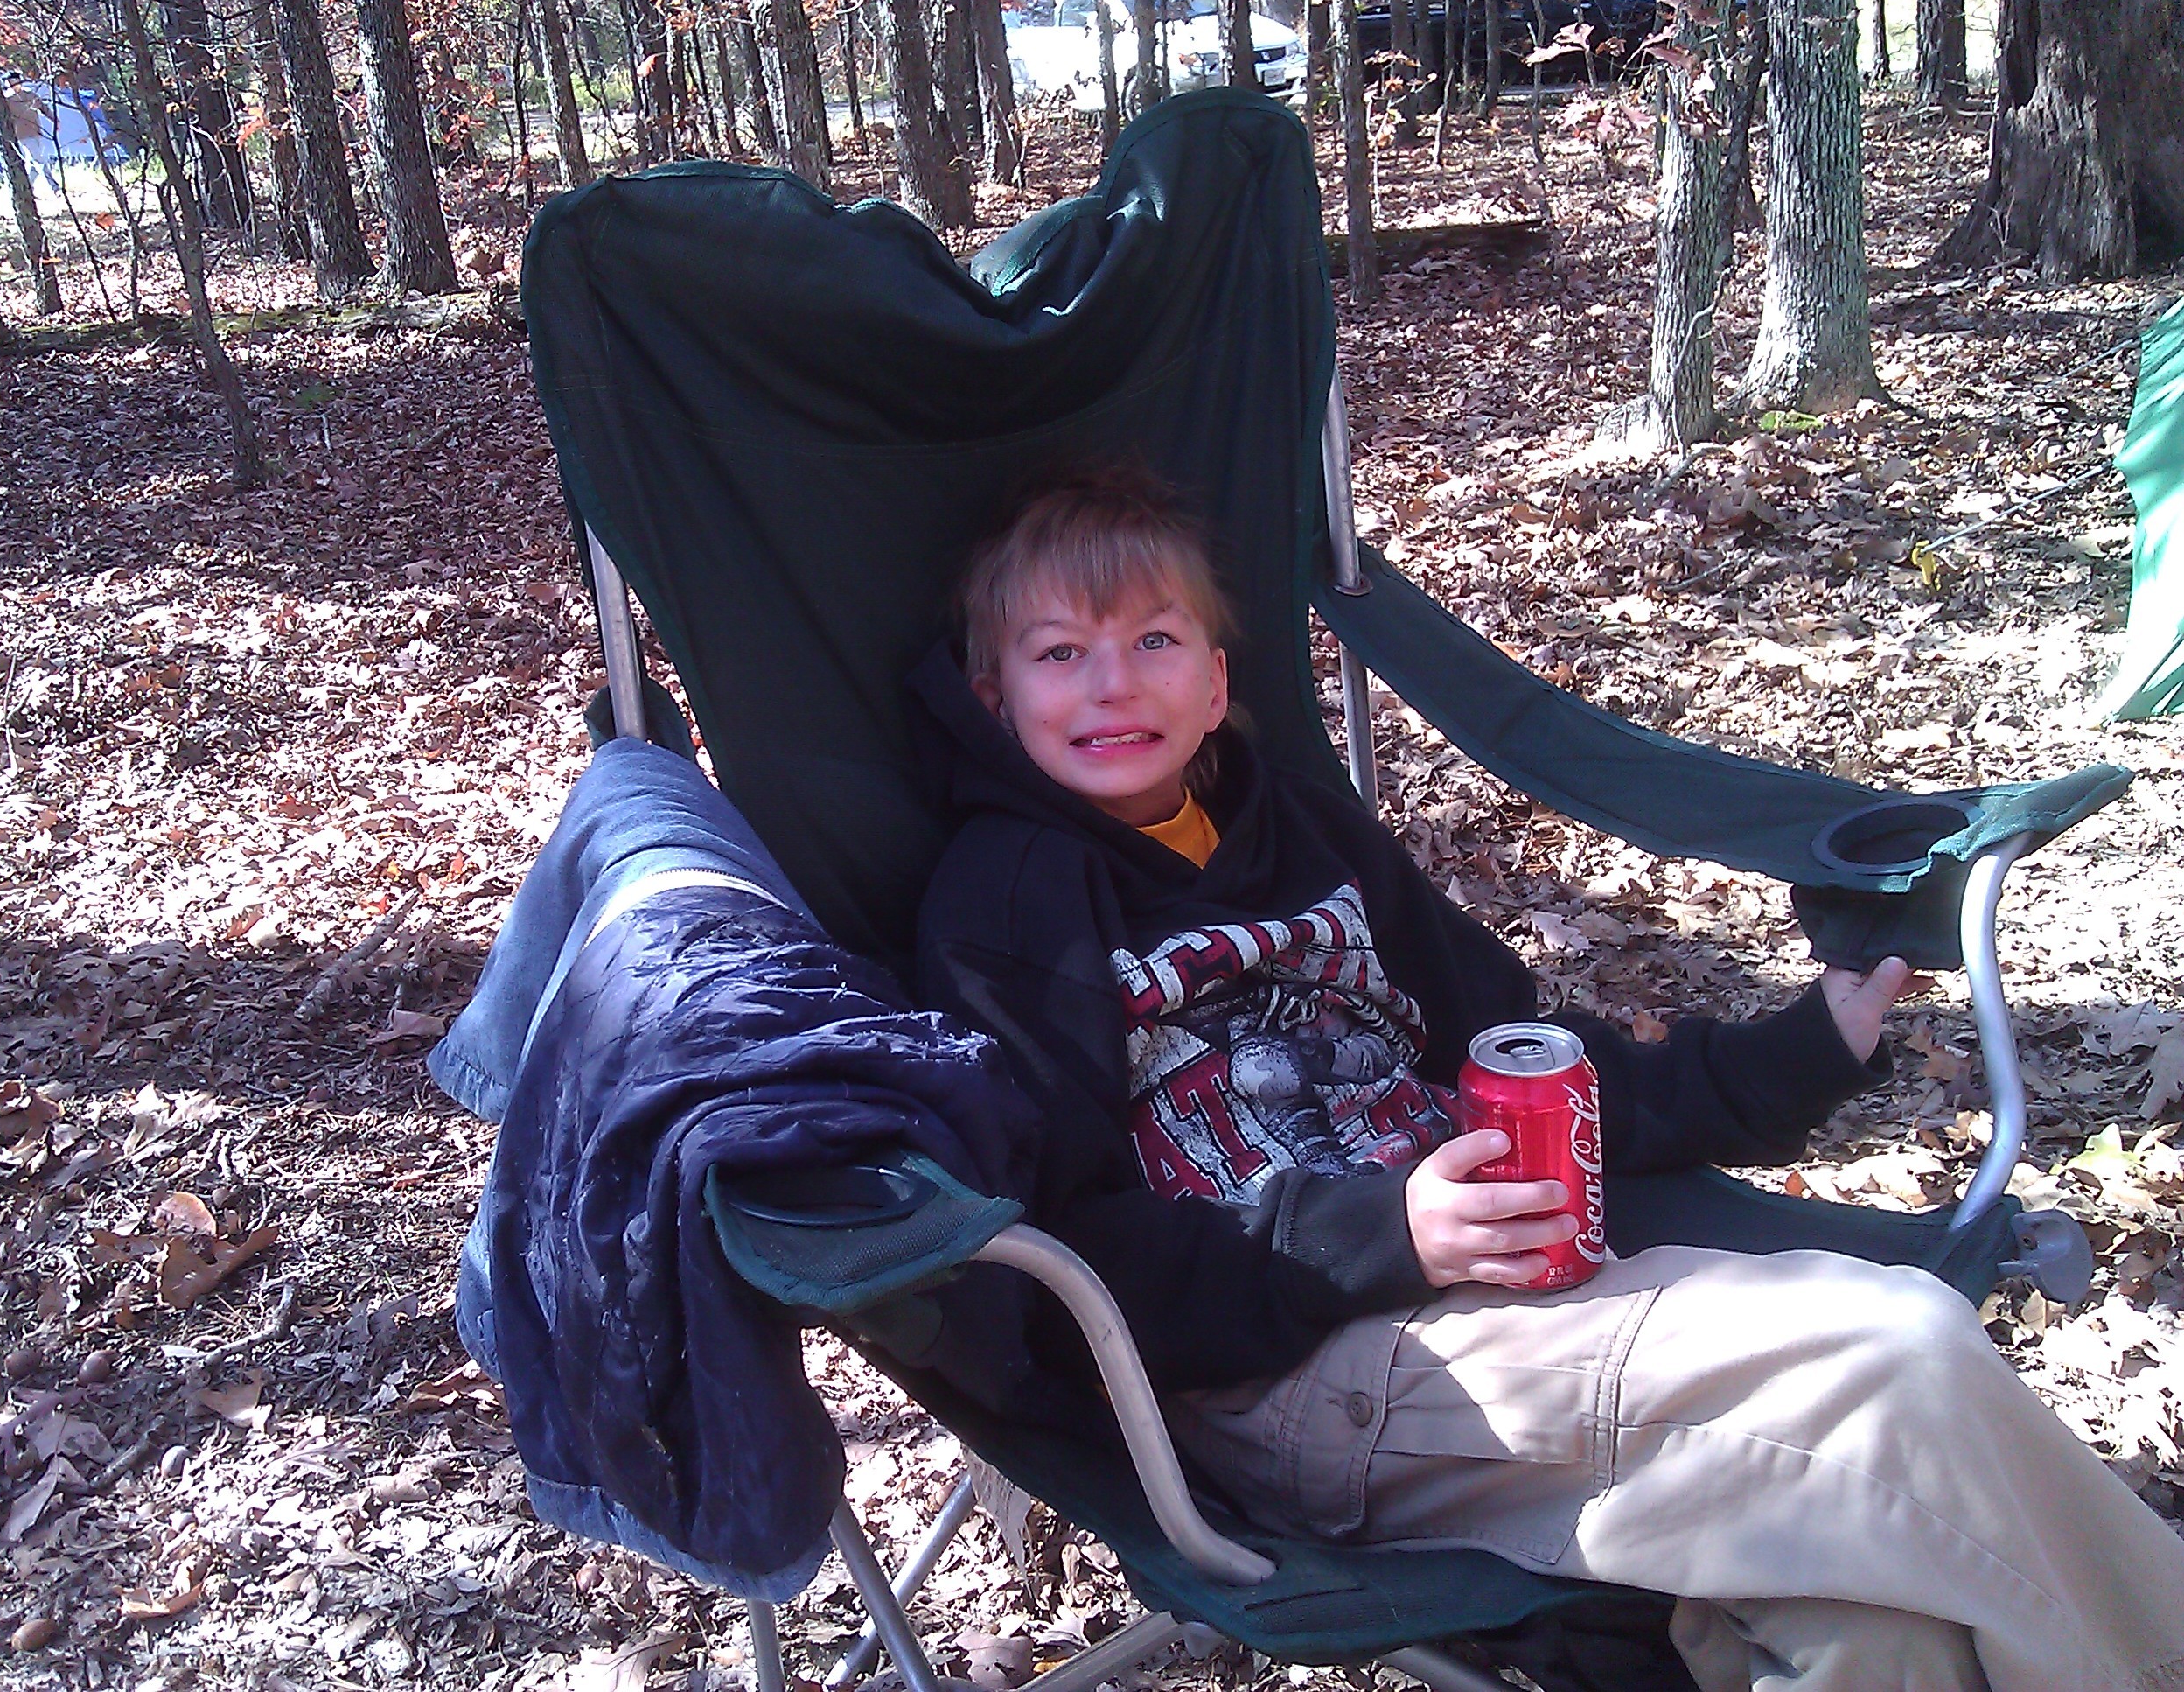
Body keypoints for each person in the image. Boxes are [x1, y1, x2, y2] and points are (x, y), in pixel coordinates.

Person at [910, 467, 2184, 1692]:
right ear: (993, 697)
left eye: (1154, 639)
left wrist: (1794, 1056)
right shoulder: (1005, 909)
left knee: (1880, 1633)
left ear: (1215, 682)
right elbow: (1058, 1252)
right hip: (1288, 1377)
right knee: (1902, 1353)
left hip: (1513, 1305)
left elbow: (1520, 1060)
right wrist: (1385, 1232)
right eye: (1060, 652)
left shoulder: (1301, 829)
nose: (1113, 682)